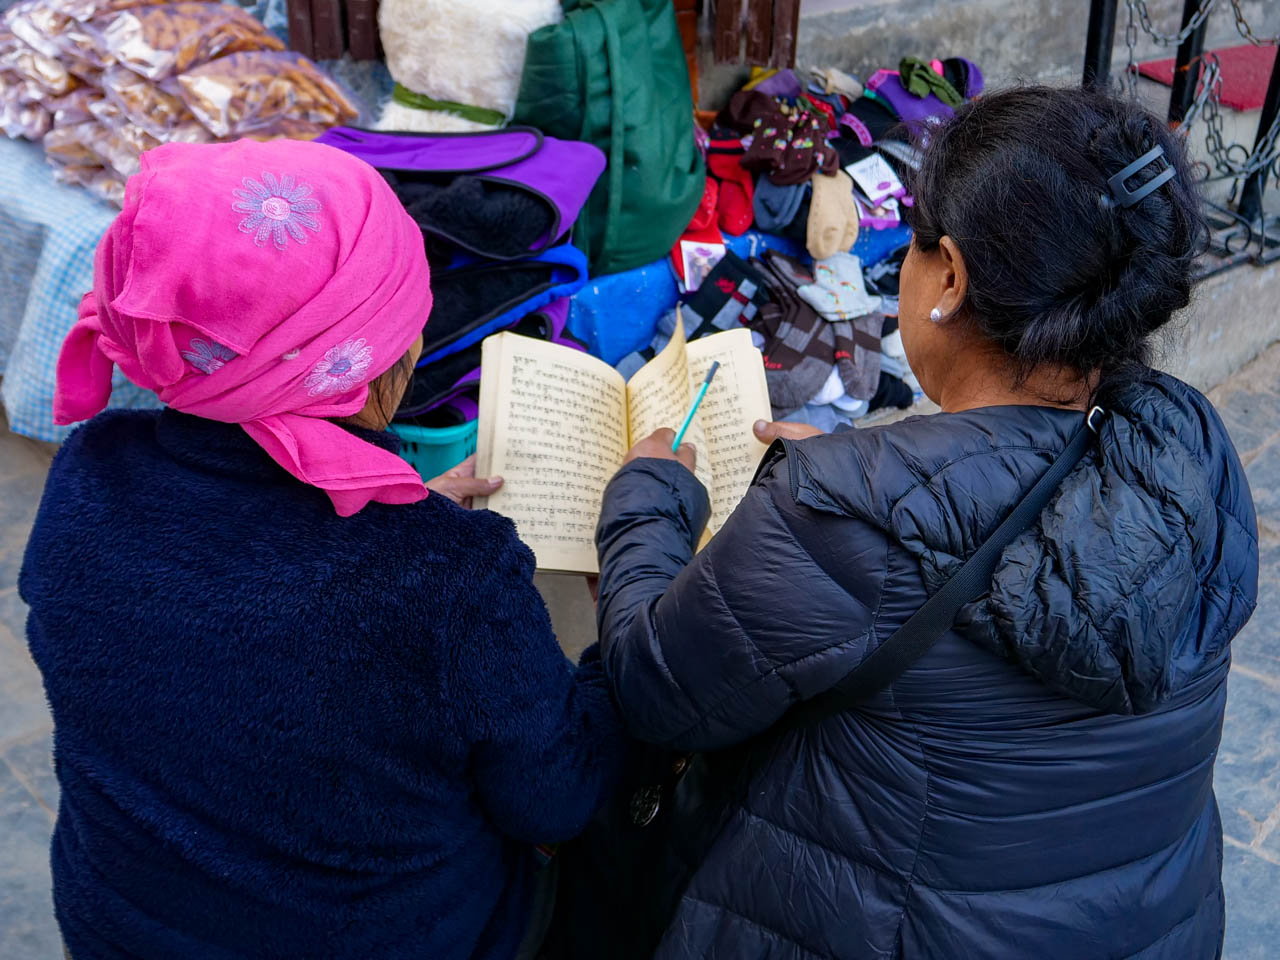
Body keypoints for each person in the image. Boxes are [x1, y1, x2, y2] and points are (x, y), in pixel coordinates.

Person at [593, 85, 1259, 958]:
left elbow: (653, 686)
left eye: (909, 247)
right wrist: (852, 487)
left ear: (949, 276)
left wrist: (649, 496)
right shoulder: (1189, 451)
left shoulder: (838, 516)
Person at [20, 139, 623, 960]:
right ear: (376, 360)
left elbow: (246, 613)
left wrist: (406, 526)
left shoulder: (91, 474)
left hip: (120, 927)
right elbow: (559, 798)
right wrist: (627, 593)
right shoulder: (445, 579)